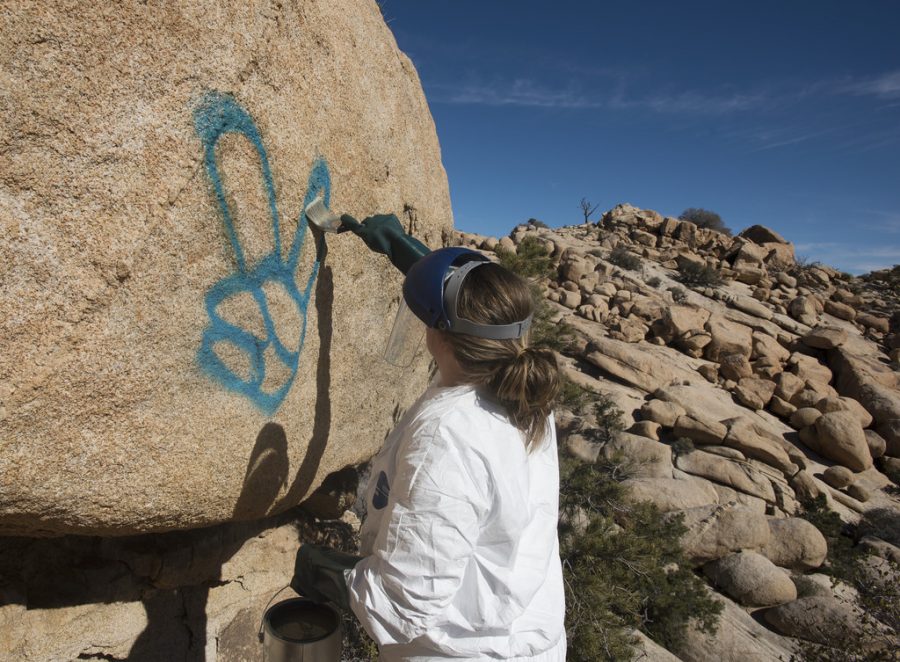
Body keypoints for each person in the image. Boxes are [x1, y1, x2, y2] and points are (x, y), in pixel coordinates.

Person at [292, 213, 566, 661]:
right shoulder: (525, 393)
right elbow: (477, 312)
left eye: (423, 316)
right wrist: (402, 249)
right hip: (531, 639)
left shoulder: (449, 436)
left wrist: (326, 573)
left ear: (440, 333)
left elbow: (404, 602)